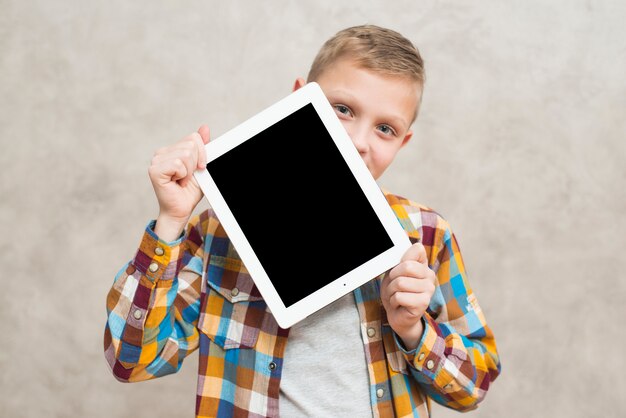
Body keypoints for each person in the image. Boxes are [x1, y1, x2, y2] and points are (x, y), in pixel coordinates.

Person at [104, 24, 501, 417]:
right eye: (342, 109)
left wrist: (415, 332)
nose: (359, 141)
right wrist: (171, 221)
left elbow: (474, 387)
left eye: (385, 129)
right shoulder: (217, 232)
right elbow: (131, 361)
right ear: (299, 100)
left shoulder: (426, 234)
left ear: (403, 142)